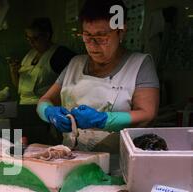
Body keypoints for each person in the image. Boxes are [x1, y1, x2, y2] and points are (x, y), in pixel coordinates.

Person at [37, 0, 159, 152]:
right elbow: (45, 100)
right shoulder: (75, 63)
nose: (93, 44)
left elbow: (147, 114)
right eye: (87, 36)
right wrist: (49, 113)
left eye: (102, 37)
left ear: (121, 31)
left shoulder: (139, 64)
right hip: (72, 158)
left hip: (116, 163)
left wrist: (103, 120)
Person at [8, 17, 76, 105]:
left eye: (35, 38)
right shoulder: (29, 55)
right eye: (28, 38)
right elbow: (21, 88)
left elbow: (73, 84)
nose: (31, 43)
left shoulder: (60, 55)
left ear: (47, 36)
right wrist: (13, 72)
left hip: (45, 107)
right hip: (24, 105)